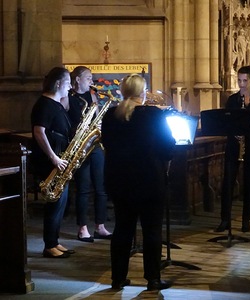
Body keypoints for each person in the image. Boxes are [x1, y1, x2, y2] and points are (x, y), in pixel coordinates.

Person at [101, 74, 176, 291]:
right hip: (149, 179)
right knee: (152, 229)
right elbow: (167, 145)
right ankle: (152, 279)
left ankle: (118, 278)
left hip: (119, 180)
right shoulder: (152, 115)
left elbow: (107, 144)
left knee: (122, 228)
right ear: (143, 93)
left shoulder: (110, 116)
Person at [215, 66, 250, 233]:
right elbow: (226, 120)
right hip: (234, 143)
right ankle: (225, 220)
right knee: (228, 180)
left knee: (249, 181)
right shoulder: (233, 100)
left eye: (245, 80)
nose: (242, 84)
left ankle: (246, 220)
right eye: (239, 80)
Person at [31, 67, 75, 258]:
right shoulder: (44, 104)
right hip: (51, 161)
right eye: (67, 83)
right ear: (58, 84)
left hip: (59, 158)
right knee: (54, 203)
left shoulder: (56, 104)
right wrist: (53, 157)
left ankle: (54, 242)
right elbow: (39, 132)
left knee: (60, 203)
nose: (70, 87)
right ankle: (49, 245)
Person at [65, 66, 112, 243]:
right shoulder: (68, 97)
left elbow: (96, 116)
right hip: (79, 146)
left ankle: (100, 226)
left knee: (101, 188)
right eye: (88, 78)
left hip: (95, 145)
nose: (91, 81)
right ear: (77, 79)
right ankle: (82, 227)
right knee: (83, 189)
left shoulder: (92, 95)